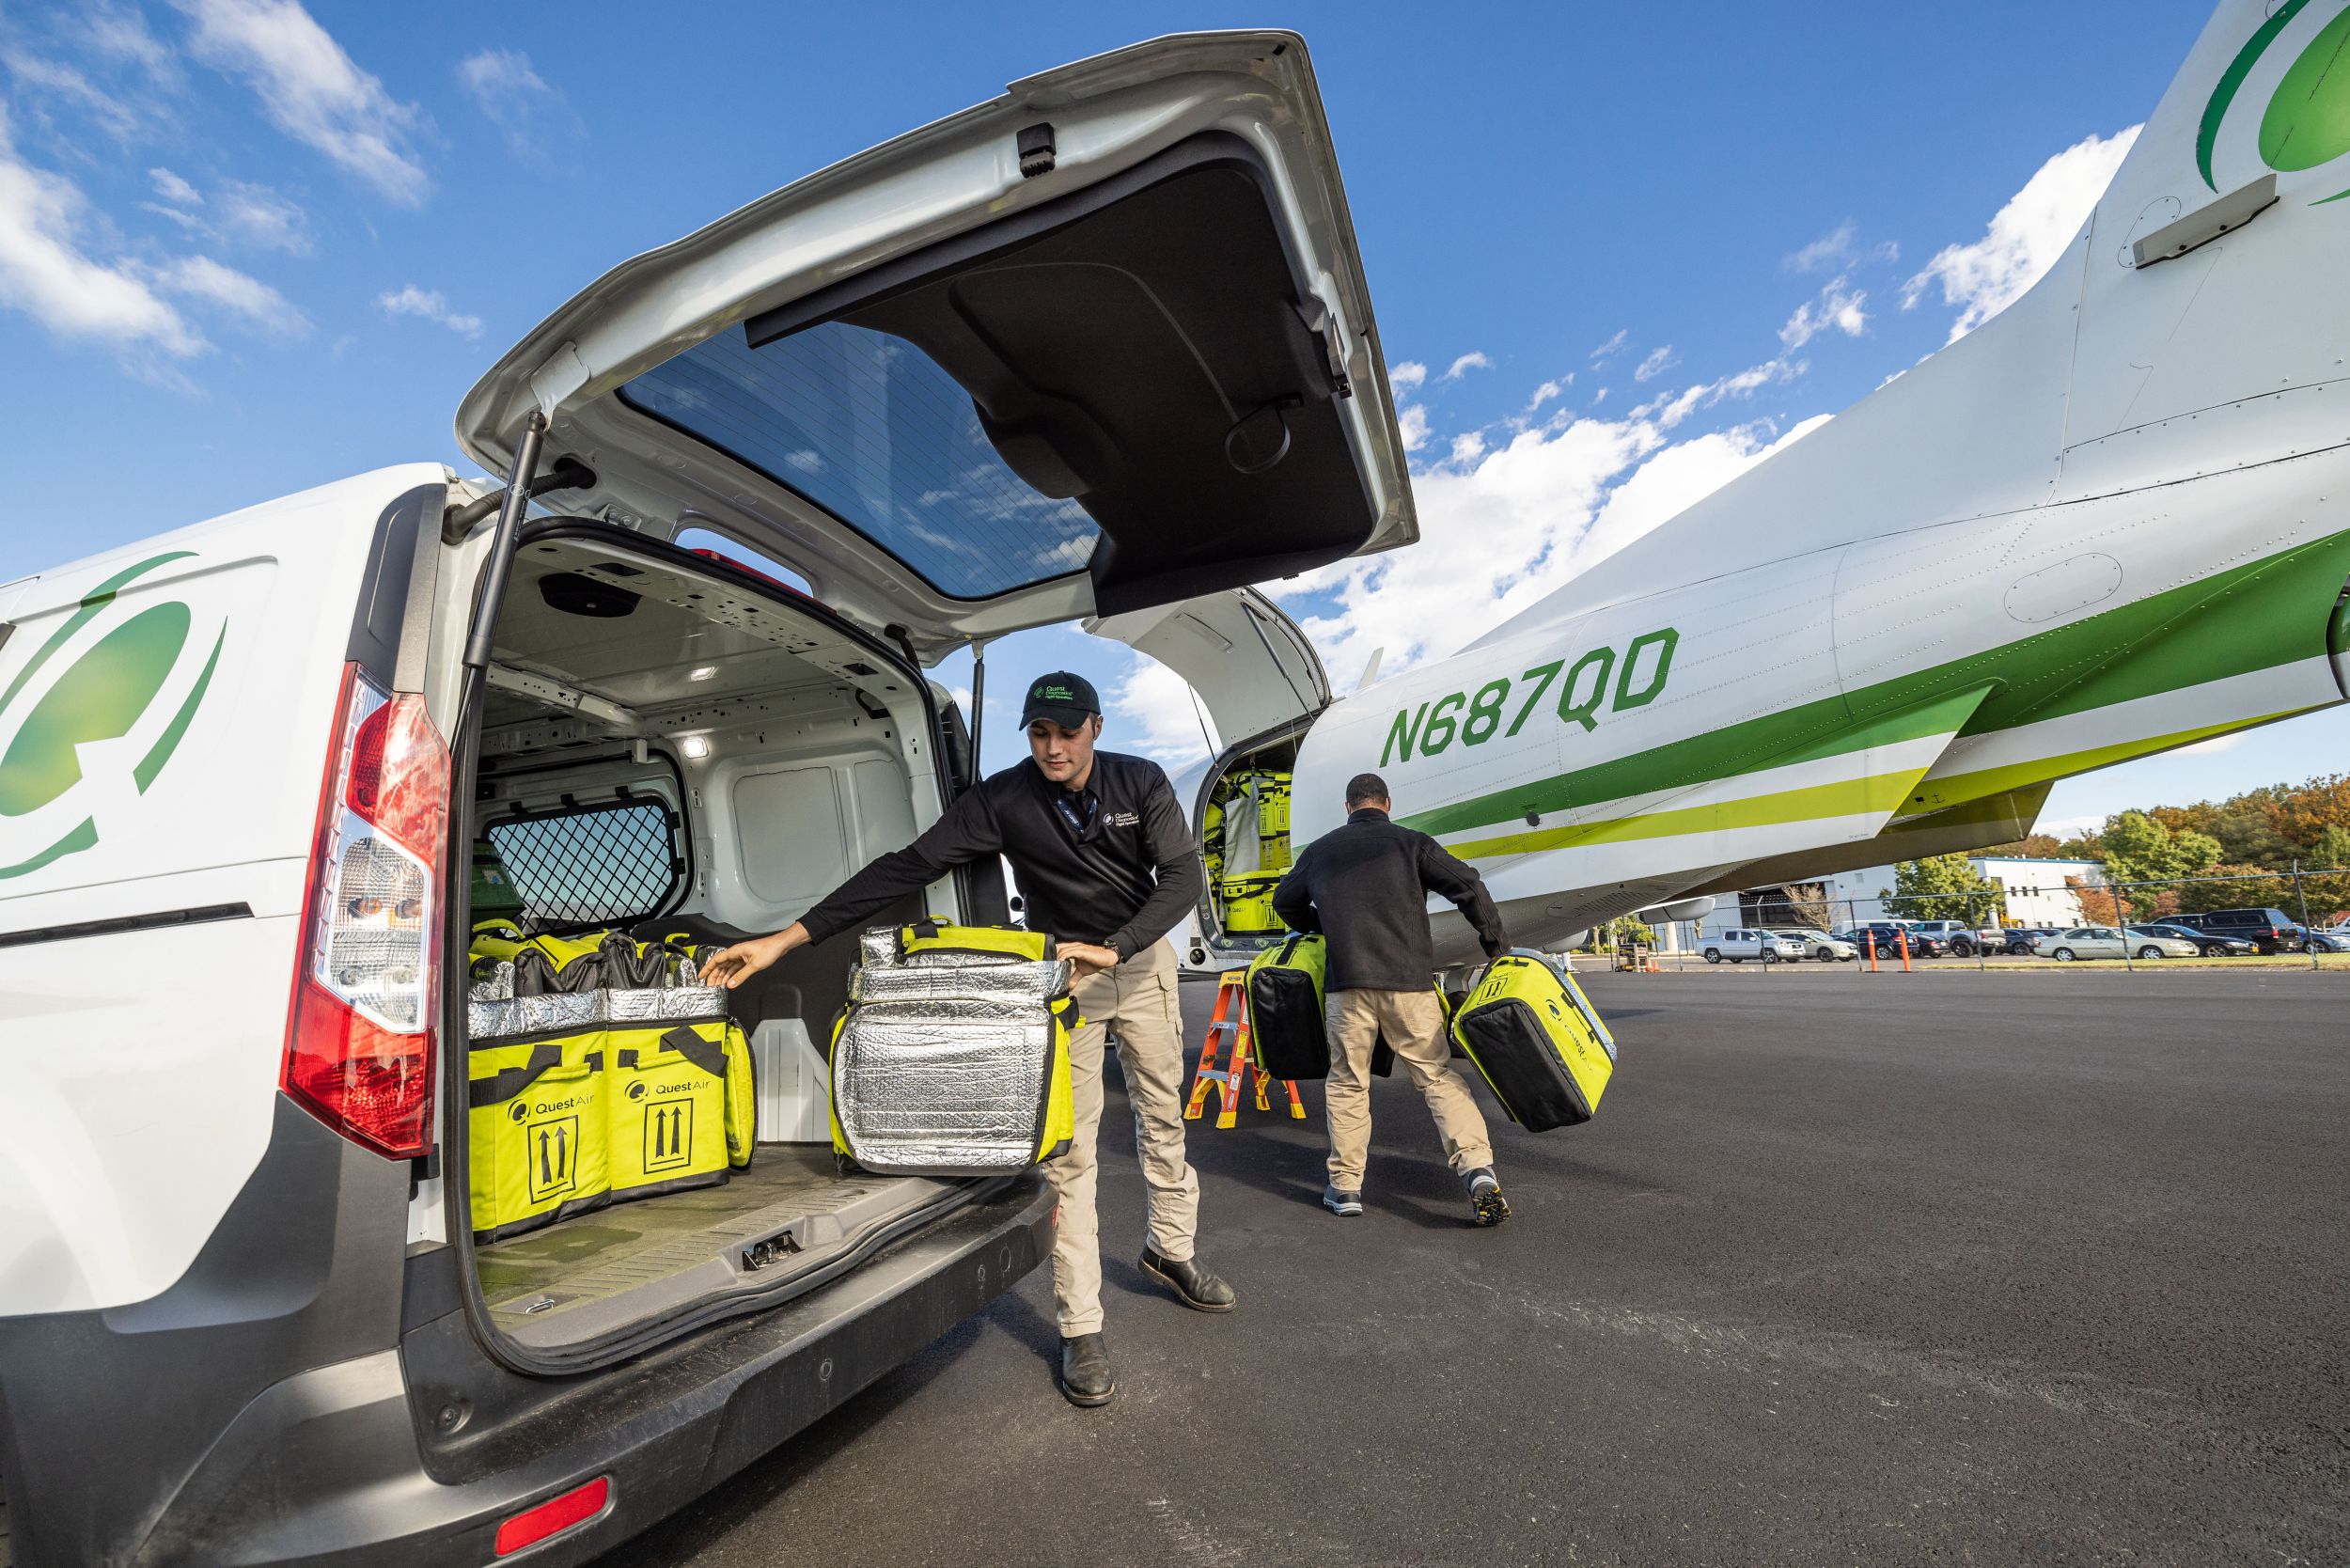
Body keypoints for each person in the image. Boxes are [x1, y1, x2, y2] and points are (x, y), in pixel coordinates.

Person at [699, 671, 1232, 1408]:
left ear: (1096, 729)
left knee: (1162, 1118)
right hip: (1062, 978)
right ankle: (1081, 1324)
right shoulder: (1004, 799)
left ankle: (1172, 1251)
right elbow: (903, 869)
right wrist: (783, 941)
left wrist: (1118, 943)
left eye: (1067, 733)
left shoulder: (1139, 783)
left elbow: (1181, 879)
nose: (1053, 747)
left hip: (1141, 964)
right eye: (1040, 734)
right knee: (1071, 1151)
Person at [1271, 771, 1513, 1226]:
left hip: (1348, 988)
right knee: (1437, 1078)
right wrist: (1497, 950)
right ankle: (1477, 1170)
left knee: (1347, 1084)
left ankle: (1345, 1188)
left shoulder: (1321, 850)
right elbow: (1469, 886)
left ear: (1348, 808)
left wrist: (1324, 927)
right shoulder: (1411, 843)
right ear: (1386, 804)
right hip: (1410, 986)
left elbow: (1284, 900)